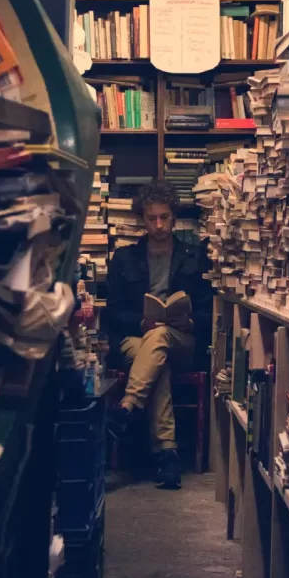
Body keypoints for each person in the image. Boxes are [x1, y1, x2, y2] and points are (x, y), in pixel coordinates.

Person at [105, 180, 212, 489]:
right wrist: (140, 321)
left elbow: (209, 311)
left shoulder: (194, 256)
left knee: (161, 339)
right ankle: (167, 454)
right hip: (136, 339)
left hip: (182, 339)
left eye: (164, 217)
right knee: (156, 357)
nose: (159, 224)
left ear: (174, 217)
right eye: (152, 218)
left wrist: (190, 322)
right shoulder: (124, 258)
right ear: (142, 219)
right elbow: (113, 312)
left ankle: (125, 409)